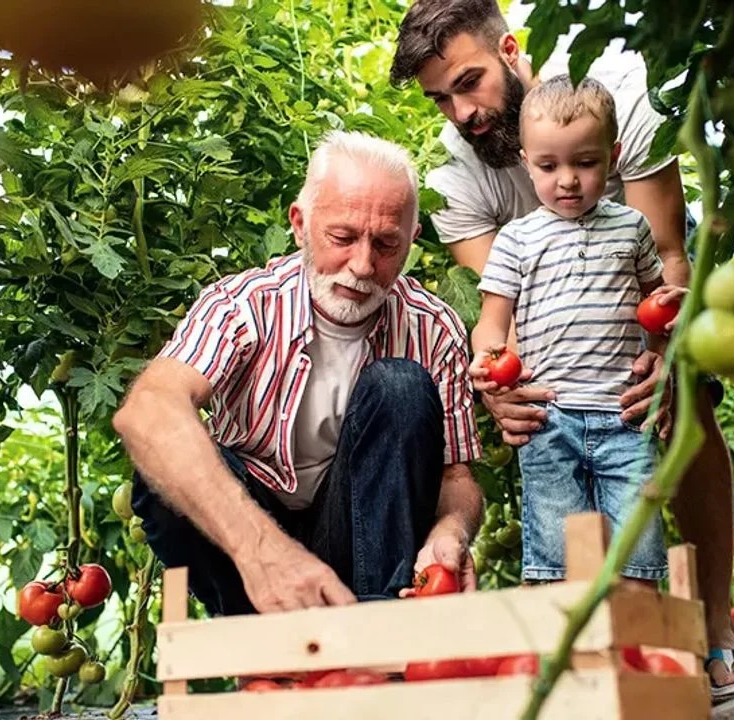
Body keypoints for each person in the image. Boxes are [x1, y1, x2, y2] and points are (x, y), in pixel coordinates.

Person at [390, 0, 734, 688]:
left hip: (635, 310)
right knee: (550, 479)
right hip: (553, 335)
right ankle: (573, 648)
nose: (460, 112)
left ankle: (713, 628)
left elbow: (670, 256)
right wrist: (498, 386)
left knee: (685, 400)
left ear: (510, 49)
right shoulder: (456, 181)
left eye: (468, 83)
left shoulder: (619, 90)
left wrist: (666, 355)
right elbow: (499, 305)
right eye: (440, 99)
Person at [112, 130, 484, 617]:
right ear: (300, 223)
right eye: (342, 238)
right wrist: (262, 550)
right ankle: (261, 637)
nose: (363, 265)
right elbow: (146, 412)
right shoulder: (244, 306)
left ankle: (382, 634)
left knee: (401, 387)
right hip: (250, 547)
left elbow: (457, 475)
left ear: (412, 241)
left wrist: (451, 528)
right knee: (162, 476)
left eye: (387, 244)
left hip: (365, 544)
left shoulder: (432, 327)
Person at [470, 75, 681, 586]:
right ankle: (563, 660)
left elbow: (657, 304)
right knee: (555, 561)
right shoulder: (516, 240)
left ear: (613, 154)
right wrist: (488, 360)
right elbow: (491, 324)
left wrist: (664, 332)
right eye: (548, 166)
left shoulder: (631, 228)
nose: (567, 180)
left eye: (584, 163)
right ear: (526, 162)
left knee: (639, 552)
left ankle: (640, 655)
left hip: (623, 414)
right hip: (549, 417)